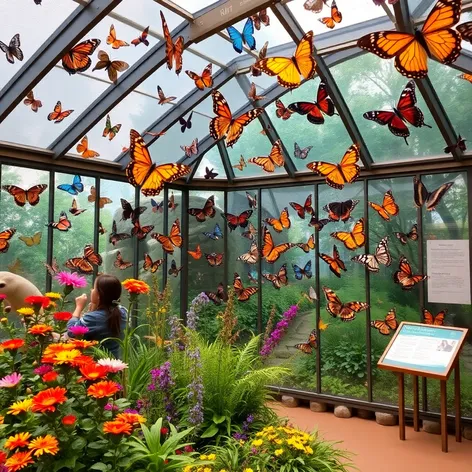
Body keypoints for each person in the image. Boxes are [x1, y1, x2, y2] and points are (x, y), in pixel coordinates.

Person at [67, 274, 127, 359]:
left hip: (97, 364)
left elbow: (72, 331)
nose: (91, 290)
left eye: (94, 288)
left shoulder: (93, 318)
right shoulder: (123, 312)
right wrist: (94, 309)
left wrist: (79, 307)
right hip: (115, 362)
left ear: (99, 295)